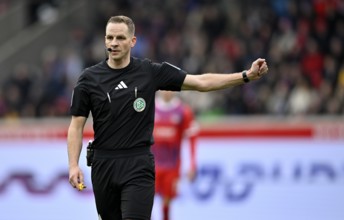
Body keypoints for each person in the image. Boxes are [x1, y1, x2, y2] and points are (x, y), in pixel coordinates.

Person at [67, 15, 269, 220]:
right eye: (109, 38)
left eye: (120, 38)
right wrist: (73, 165)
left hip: (138, 164)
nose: (114, 43)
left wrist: (245, 76)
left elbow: (201, 82)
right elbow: (76, 125)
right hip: (104, 165)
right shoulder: (89, 78)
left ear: (133, 41)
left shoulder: (149, 72)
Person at [152, 90, 198, 220]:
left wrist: (192, 165)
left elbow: (192, 138)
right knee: (146, 201)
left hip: (172, 165)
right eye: (164, 88)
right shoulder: (149, 108)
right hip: (151, 165)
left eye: (170, 88)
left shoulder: (184, 111)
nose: (167, 92)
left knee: (167, 202)